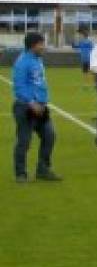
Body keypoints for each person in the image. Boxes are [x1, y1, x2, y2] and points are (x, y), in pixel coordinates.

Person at [12, 32, 60, 182]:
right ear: (33, 45)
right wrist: (31, 102)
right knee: (24, 141)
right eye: (41, 43)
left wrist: (43, 101)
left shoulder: (37, 59)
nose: (43, 46)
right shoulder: (22, 62)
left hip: (41, 107)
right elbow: (19, 86)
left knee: (49, 135)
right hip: (26, 107)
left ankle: (43, 169)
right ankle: (20, 173)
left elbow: (38, 83)